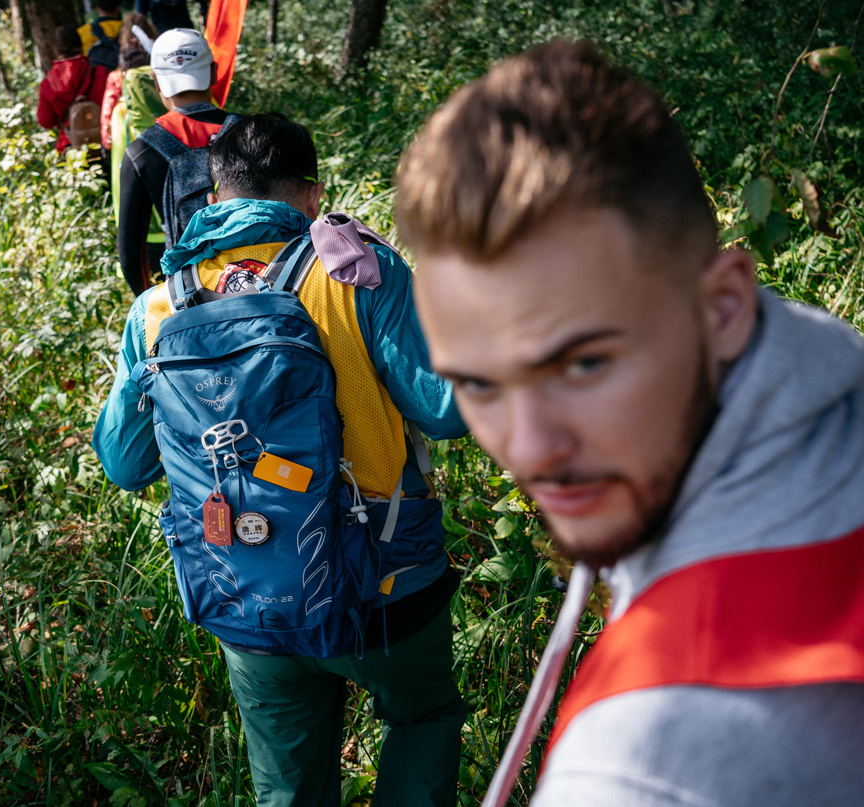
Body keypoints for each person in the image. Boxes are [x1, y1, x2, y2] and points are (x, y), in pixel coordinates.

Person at [395, 39, 864, 806]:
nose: (530, 450)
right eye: (477, 383)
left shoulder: (637, 768)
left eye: (584, 364)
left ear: (723, 309)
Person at [94, 112, 468, 807]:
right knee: (423, 719)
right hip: (385, 581)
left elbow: (124, 462)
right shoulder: (358, 271)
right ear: (313, 194)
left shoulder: (156, 308)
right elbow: (444, 411)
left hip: (245, 586)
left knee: (289, 792)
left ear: (213, 198)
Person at [117, 27, 232, 296]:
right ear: (214, 73)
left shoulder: (142, 150)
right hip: (266, 288)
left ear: (156, 82)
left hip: (191, 298)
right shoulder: (256, 133)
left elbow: (130, 256)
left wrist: (151, 305)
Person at [36, 26, 109, 154]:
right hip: (103, 141)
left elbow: (45, 121)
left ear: (55, 50)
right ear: (80, 45)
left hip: (70, 146)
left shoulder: (48, 83)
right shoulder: (100, 72)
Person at [100, 13, 156, 151]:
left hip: (132, 141)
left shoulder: (117, 76)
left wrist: (107, 138)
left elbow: (108, 110)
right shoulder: (159, 69)